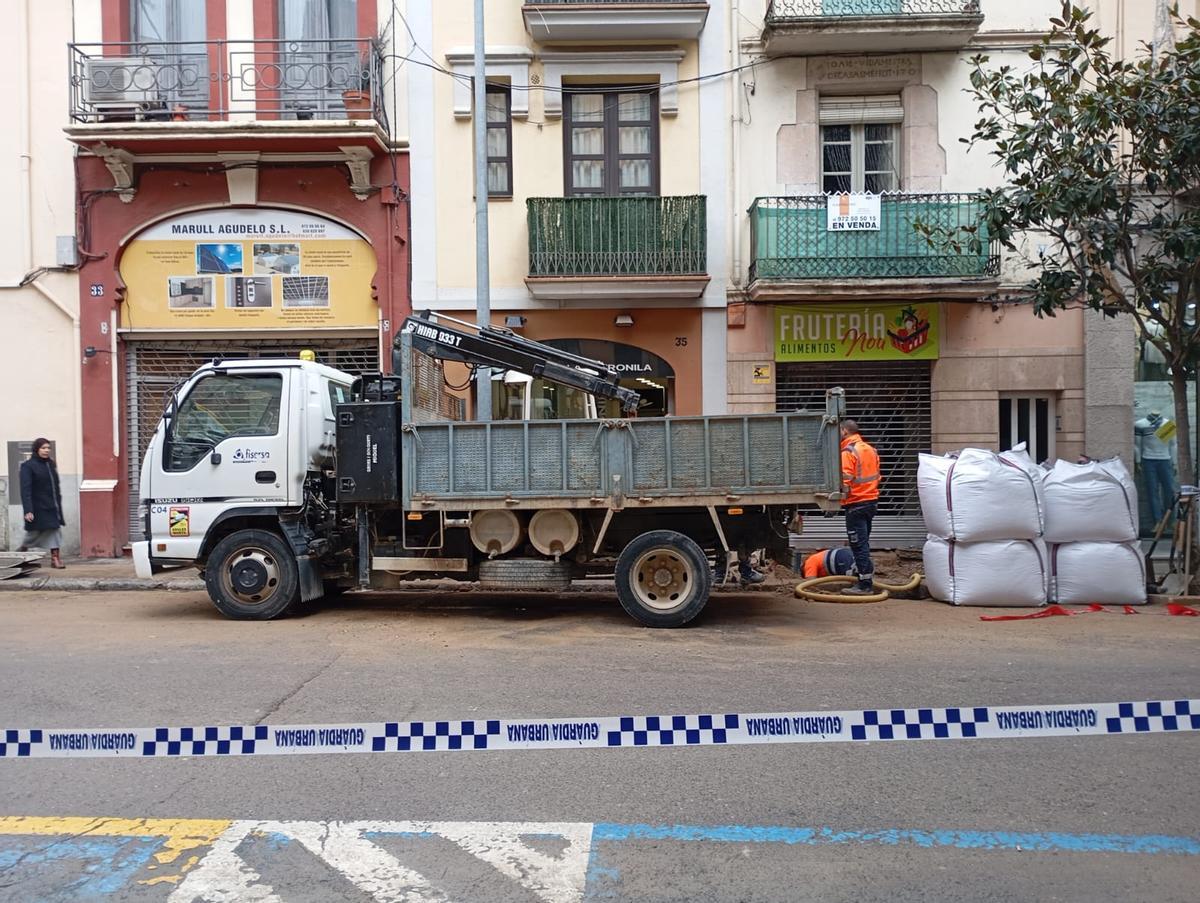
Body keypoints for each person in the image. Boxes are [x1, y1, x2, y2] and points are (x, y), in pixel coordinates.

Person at [839, 419, 880, 595]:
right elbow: (877, 476)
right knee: (863, 543)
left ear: (844, 431)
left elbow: (845, 480)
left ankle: (865, 585)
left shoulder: (848, 452)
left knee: (858, 545)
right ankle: (863, 578)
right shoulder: (870, 449)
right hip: (871, 502)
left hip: (856, 503)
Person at [18, 438, 66, 569]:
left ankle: (55, 559)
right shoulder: (28, 466)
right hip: (37, 506)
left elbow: (55, 486)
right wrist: (28, 510)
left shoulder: (50, 464)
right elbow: (25, 489)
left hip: (52, 505)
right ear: (36, 449)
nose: (46, 450)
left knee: (54, 529)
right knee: (33, 533)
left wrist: (58, 503)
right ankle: (21, 552)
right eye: (43, 448)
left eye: (48, 448)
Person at [1134, 409, 1176, 527]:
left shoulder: (1167, 424)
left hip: (1165, 460)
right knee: (1152, 491)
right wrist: (1138, 462)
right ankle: (1158, 521)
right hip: (1148, 460)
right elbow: (1137, 445)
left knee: (1169, 491)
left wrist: (1174, 463)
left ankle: (1170, 520)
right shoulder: (1140, 424)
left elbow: (1173, 445)